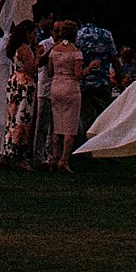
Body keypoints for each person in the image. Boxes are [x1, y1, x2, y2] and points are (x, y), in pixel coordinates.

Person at [44, 21, 86, 170]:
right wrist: (91, 67)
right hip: (70, 87)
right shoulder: (76, 52)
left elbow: (49, 71)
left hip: (56, 86)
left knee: (57, 125)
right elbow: (78, 74)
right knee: (70, 127)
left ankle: (55, 157)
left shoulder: (54, 50)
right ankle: (64, 160)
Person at [3, 22, 42, 168]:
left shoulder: (14, 48)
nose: (34, 36)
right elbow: (31, 68)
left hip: (14, 83)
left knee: (12, 118)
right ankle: (20, 154)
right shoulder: (25, 49)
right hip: (24, 85)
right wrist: (38, 55)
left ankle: (7, 151)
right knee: (23, 119)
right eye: (33, 33)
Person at [74, 18, 120, 130]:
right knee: (104, 119)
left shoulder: (78, 35)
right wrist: (119, 76)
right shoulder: (106, 34)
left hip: (84, 84)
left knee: (86, 120)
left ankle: (87, 144)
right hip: (102, 82)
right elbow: (114, 58)